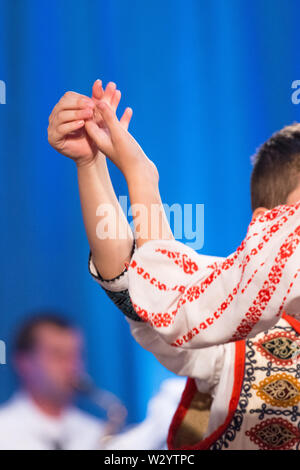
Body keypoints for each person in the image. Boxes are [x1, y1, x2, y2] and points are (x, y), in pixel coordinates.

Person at [48, 80, 300, 449]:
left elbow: (165, 292)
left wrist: (140, 176)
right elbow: (148, 294)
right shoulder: (245, 336)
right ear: (266, 225)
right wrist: (92, 165)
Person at [0, 313, 116, 450]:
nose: (72, 367)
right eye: (58, 355)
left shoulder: (96, 433)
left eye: (76, 355)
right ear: (24, 363)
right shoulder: (4, 429)